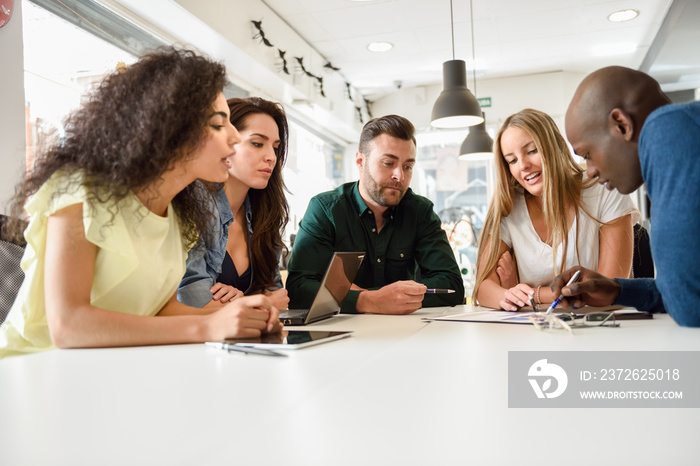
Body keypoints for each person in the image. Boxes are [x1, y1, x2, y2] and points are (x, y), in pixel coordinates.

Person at [0, 47, 281, 358]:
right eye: (218, 124)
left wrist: (244, 318)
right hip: (30, 371)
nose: (232, 136)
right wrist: (207, 328)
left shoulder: (181, 214)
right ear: (170, 129)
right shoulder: (79, 191)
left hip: (106, 372)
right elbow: (68, 326)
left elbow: (158, 310)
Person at [552, 66, 700, 327]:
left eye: (587, 154)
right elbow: (684, 293)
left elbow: (690, 305)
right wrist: (618, 290)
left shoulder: (668, 130)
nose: (590, 172)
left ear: (621, 124)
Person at [286, 114, 464, 314]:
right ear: (361, 161)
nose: (400, 175)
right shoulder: (326, 210)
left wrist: (358, 294)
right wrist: (368, 301)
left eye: (408, 166)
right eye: (389, 163)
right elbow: (298, 290)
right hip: (341, 337)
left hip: (406, 336)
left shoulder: (419, 211)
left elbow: (452, 288)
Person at [472, 108, 638, 311]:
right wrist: (509, 293)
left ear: (557, 145)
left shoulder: (604, 188)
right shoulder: (510, 207)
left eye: (532, 151)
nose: (523, 165)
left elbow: (607, 290)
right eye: (512, 160)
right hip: (536, 330)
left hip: (600, 327)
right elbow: (483, 288)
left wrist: (530, 293)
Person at [178, 97, 290, 311]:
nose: (271, 157)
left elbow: (278, 295)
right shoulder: (196, 205)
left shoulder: (264, 211)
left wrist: (244, 304)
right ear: (224, 143)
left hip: (246, 340)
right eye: (257, 143)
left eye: (275, 147)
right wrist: (256, 304)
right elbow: (191, 299)